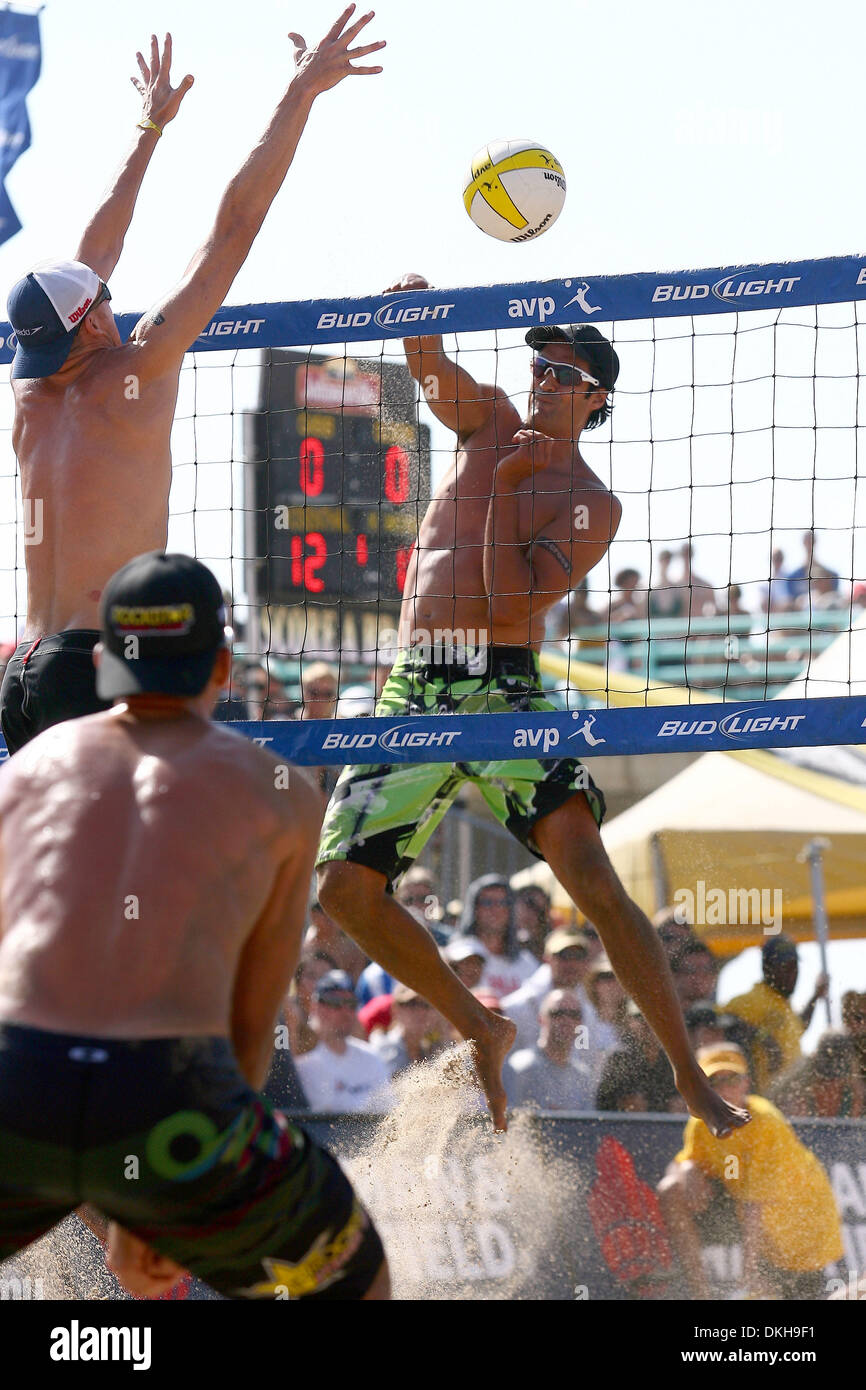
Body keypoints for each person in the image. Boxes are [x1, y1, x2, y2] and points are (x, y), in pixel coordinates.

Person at [315, 293, 749, 1140]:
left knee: (591, 877)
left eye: (562, 373)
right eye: (539, 365)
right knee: (342, 892)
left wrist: (513, 489)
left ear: (594, 399)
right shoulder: (491, 422)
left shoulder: (589, 500)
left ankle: (687, 1072)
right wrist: (418, 319)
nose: (542, 378)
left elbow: (508, 597)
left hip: (506, 680)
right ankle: (478, 1020)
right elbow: (434, 375)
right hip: (419, 678)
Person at [0, 551, 388, 1301]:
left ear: (109, 662)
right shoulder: (278, 797)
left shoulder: (25, 778)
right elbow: (251, 1026)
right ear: (220, 667)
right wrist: (186, 1194)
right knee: (356, 1280)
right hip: (163, 1086)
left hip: (23, 1080)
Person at [0, 10, 386, 756]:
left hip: (25, 667)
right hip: (97, 665)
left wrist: (148, 133)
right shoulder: (137, 366)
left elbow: (93, 253)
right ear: (98, 321)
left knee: (39, 866)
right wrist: (299, 94)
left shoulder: (30, 393)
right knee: (135, 858)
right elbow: (234, 226)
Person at [657, 1044, 843, 1300]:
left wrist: (750, 1274)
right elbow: (682, 1161)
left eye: (731, 1079)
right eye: (714, 1081)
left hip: (805, 1233)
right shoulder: (702, 1121)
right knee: (671, 1188)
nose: (724, 1088)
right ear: (703, 1087)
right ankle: (700, 1294)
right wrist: (687, 1168)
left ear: (746, 1083)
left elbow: (754, 1204)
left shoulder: (765, 1121)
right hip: (760, 1224)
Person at [724, 935, 828, 1093]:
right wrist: (762, 1036)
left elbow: (799, 1028)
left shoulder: (783, 1003)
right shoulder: (753, 999)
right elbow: (719, 1019)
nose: (792, 974)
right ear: (767, 967)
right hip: (769, 1093)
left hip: (793, 1095)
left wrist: (816, 996)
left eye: (795, 967)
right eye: (785, 967)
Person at [294, 971, 393, 1114]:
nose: (346, 1011)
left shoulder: (371, 1057)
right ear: (315, 1006)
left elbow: (388, 1110)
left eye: (351, 1003)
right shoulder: (302, 1061)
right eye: (335, 1003)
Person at [504, 990, 594, 1112]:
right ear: (541, 1018)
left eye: (574, 1014)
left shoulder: (583, 1076)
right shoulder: (520, 1067)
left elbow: (588, 1126)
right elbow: (508, 1121)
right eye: (558, 1013)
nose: (566, 1020)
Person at [456, 875, 538, 999]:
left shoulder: (528, 964)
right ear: (474, 908)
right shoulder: (456, 959)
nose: (495, 909)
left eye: (502, 903)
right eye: (487, 902)